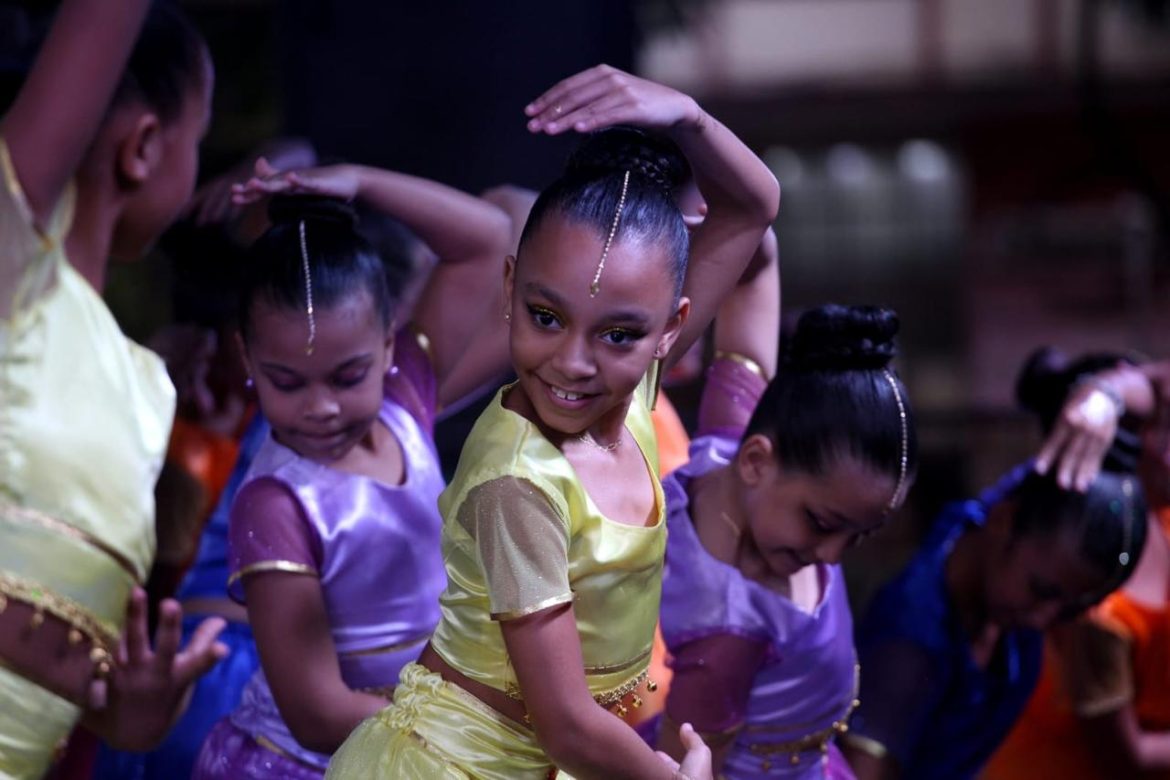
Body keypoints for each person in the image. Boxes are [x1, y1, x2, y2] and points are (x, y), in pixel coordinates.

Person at [326, 62, 780, 780]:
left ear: (671, 329)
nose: (573, 362)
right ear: (510, 288)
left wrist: (688, 118)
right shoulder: (519, 483)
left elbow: (754, 208)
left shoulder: (628, 394)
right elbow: (568, 727)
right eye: (546, 317)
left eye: (619, 334)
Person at [192, 154, 515, 777]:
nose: (320, 407)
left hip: (428, 734)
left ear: (391, 345)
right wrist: (468, 727)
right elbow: (315, 710)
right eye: (286, 382)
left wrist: (361, 182)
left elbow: (486, 239)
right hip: (322, 760)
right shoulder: (276, 501)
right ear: (248, 359)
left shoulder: (405, 403)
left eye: (348, 376)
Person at [0, 2, 228, 776]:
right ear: (144, 146)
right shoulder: (15, 282)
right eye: (199, 140)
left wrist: (125, 710)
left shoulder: (147, 385)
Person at [841, 348, 1151, 779]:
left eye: (1071, 609)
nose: (1046, 620)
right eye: (1042, 592)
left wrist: (1106, 394)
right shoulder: (911, 647)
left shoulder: (1026, 513)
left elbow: (1155, 385)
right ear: (1004, 520)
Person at [651, 300, 915, 780]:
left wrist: (733, 224)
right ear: (756, 462)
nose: (831, 556)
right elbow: (680, 770)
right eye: (821, 522)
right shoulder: (730, 632)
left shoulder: (732, 443)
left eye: (859, 536)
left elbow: (757, 257)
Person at [983, 350, 1170, 779]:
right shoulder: (1093, 606)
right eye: (1159, 433)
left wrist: (1109, 393)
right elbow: (1127, 762)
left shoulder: (1161, 521)